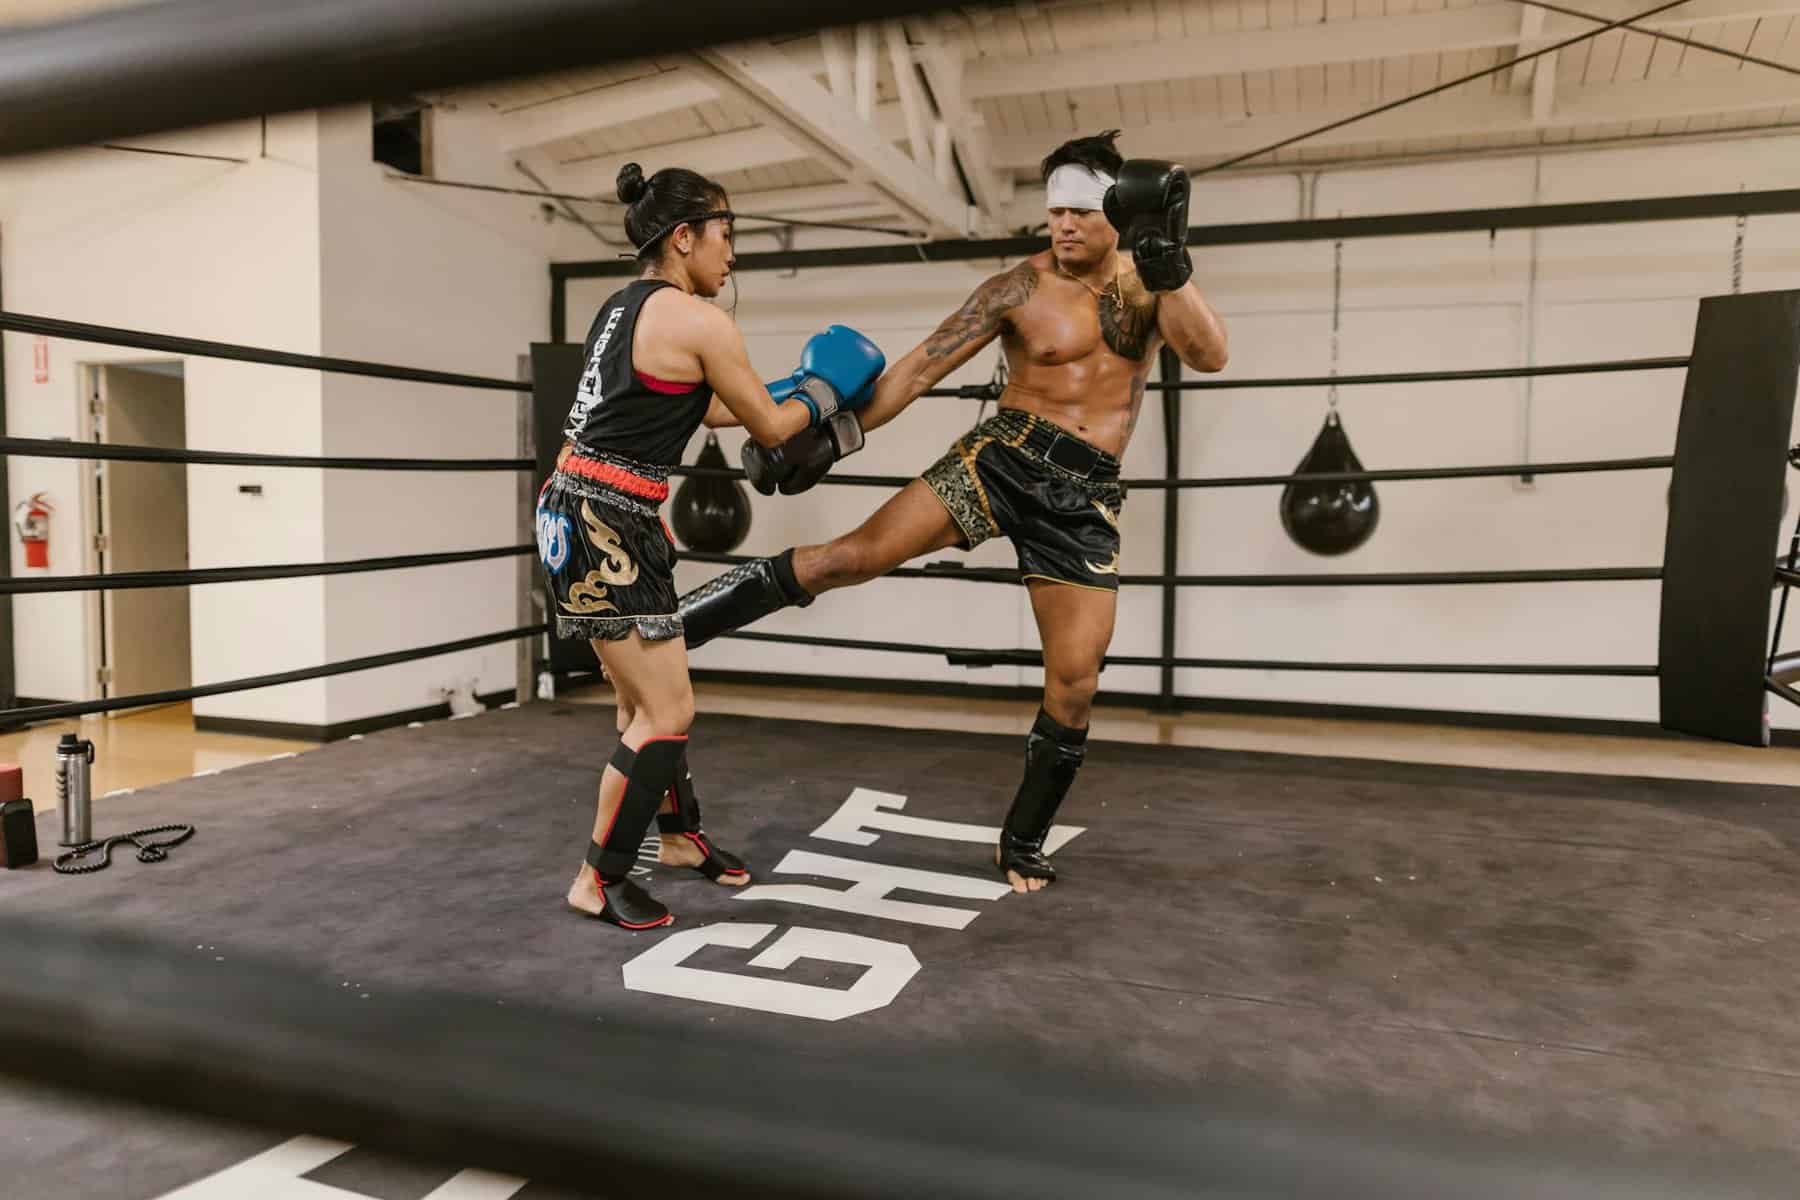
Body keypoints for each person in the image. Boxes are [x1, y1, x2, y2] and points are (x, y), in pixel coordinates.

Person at [674, 131, 1229, 895]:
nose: (1064, 225)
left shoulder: (1149, 285)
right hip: (1001, 458)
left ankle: (1022, 841)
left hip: (1085, 497)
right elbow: (918, 370)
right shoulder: (1017, 289)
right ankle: (670, 631)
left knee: (1076, 680)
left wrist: (1172, 266)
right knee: (849, 558)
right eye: (1054, 212)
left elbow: (1209, 354)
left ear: (1118, 210)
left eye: (1080, 211)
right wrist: (828, 435)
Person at [540, 160, 884, 929]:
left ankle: (678, 838)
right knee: (667, 709)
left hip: (588, 508)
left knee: (643, 698)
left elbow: (708, 407)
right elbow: (770, 428)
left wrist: (793, 388)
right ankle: (598, 879)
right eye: (725, 232)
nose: (733, 251)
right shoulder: (701, 322)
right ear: (684, 236)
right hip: (606, 521)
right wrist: (825, 391)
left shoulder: (621, 308)